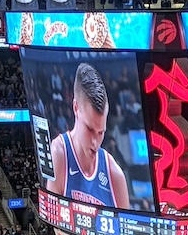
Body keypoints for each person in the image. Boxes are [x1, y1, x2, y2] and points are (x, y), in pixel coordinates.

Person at [44, 63, 130, 208]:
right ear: (76, 108)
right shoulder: (59, 153)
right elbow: (53, 223)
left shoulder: (115, 174)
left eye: (101, 132)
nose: (96, 142)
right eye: (90, 129)